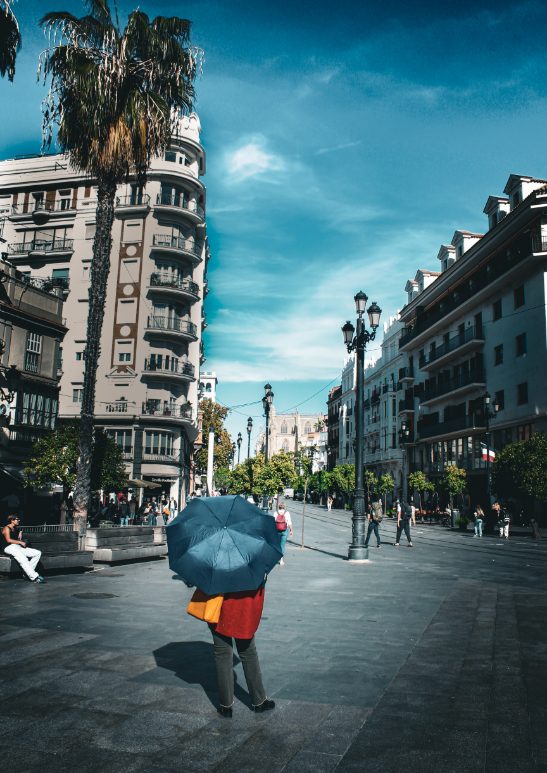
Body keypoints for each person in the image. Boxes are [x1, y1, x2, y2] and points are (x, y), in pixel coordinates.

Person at [209, 585, 275, 717]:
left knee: (223, 654)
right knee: (248, 652)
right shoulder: (251, 564)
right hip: (244, 607)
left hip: (219, 605)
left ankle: (226, 706)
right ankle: (259, 700)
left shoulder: (215, 564)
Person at [1, 515, 45, 583]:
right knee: (22, 558)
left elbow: (17, 541)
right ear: (12, 520)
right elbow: (8, 540)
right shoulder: (6, 528)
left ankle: (26, 574)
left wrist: (20, 536)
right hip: (8, 547)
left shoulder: (16, 528)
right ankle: (34, 577)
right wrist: (20, 542)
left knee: (37, 553)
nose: (19, 520)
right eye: (17, 519)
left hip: (16, 546)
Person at [274, 502, 293, 566]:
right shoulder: (287, 513)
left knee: (277, 545)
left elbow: (273, 522)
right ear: (284, 507)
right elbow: (289, 522)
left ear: (279, 507)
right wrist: (291, 530)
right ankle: (281, 560)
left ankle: (276, 558)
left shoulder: (276, 512)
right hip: (285, 530)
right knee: (282, 546)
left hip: (277, 531)